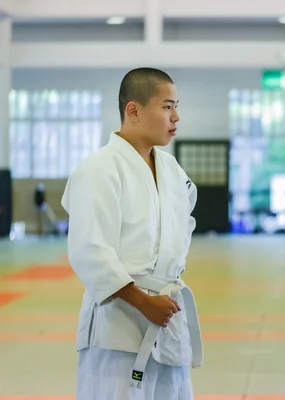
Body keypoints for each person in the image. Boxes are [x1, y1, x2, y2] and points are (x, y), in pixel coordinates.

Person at [61, 67, 203, 400]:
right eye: (167, 106)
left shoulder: (171, 169)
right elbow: (89, 250)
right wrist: (142, 301)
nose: (176, 116)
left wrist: (161, 296)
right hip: (119, 321)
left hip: (167, 316)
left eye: (176, 106)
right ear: (134, 110)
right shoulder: (98, 169)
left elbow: (182, 227)